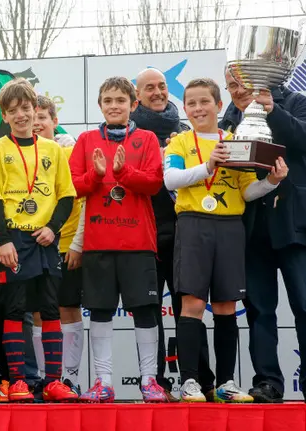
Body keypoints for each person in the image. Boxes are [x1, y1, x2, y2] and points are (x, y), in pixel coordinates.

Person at [220, 69, 306, 403]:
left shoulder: (294, 101)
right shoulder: (230, 117)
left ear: (259, 82)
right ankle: (267, 382)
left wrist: (272, 110)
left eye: (242, 84)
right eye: (231, 85)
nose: (237, 91)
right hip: (251, 227)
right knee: (260, 310)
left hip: (297, 223)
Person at [164, 78, 288, 403]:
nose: (198, 108)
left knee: (226, 306)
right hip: (192, 224)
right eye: (191, 103)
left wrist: (272, 181)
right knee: (191, 303)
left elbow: (247, 191)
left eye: (205, 101)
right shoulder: (179, 143)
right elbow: (171, 179)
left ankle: (226, 383)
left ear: (219, 106)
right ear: (185, 109)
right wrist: (207, 166)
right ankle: (190, 382)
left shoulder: (236, 141)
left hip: (231, 226)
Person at [68, 77, 166, 403]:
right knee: (100, 312)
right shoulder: (85, 141)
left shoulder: (148, 138)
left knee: (145, 311)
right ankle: (104, 382)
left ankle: (150, 380)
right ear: (99, 105)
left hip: (138, 243)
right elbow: (74, 187)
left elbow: (153, 184)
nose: (114, 106)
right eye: (107, 100)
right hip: (99, 243)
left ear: (133, 104)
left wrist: (123, 174)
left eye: (120, 100)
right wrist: (96, 175)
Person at [0, 78, 77, 403]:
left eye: (26, 108)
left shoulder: (52, 149)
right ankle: (19, 381)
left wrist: (53, 228)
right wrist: (4, 241)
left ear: (35, 109)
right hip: (15, 240)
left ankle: (53, 381)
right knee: (16, 309)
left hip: (46, 240)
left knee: (50, 309)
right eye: (13, 111)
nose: (22, 115)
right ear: (5, 116)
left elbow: (66, 196)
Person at [130, 67, 201, 401]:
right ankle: (156, 381)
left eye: (161, 86)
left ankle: (198, 380)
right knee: (150, 311)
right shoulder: (128, 134)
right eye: (149, 88)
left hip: (186, 233)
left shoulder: (186, 130)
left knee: (190, 308)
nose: (157, 92)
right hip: (145, 235)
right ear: (137, 97)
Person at [32, 95, 84, 394]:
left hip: (65, 245)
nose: (37, 123)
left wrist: (77, 243)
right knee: (38, 312)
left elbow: (85, 200)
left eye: (43, 117)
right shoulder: (20, 154)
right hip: (33, 246)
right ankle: (44, 378)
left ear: (54, 121)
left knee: (68, 309)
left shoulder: (71, 151)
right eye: (32, 116)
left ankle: (71, 378)